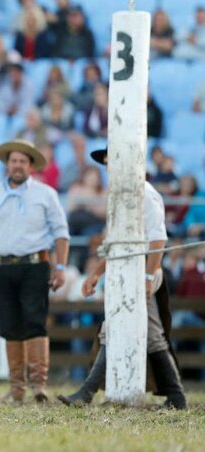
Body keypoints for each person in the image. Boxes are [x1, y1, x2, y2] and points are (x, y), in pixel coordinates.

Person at [58, 147, 187, 410]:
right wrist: (96, 273)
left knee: (115, 328)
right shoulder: (118, 197)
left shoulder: (147, 194)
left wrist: (148, 276)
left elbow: (158, 238)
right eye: (106, 164)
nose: (108, 169)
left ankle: (86, 392)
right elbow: (118, 246)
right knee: (149, 336)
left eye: (112, 162)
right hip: (124, 271)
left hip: (141, 271)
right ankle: (176, 397)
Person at [0, 139, 70, 403]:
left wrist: (60, 267)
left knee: (34, 321)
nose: (17, 165)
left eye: (22, 161)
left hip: (35, 266)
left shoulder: (45, 194)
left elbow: (61, 232)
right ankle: (17, 388)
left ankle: (38, 385)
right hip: (0, 268)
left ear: (30, 166)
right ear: (8, 165)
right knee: (9, 325)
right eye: (13, 161)